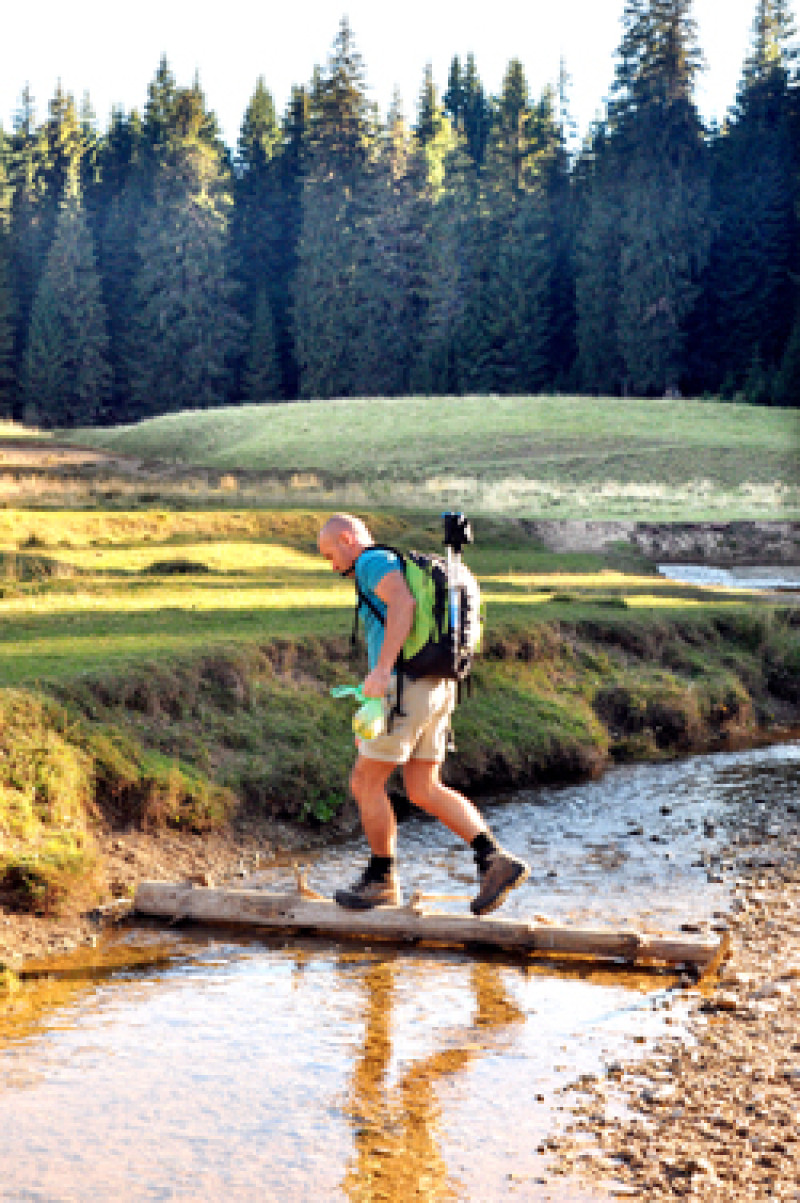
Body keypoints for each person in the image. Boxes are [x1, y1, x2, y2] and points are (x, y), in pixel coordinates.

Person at [318, 513, 530, 915]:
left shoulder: (370, 561)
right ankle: (494, 860)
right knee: (423, 788)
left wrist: (382, 671)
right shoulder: (395, 561)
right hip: (437, 685)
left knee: (365, 781)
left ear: (347, 538)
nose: (332, 566)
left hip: (405, 687)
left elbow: (404, 604)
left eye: (330, 555)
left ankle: (381, 880)